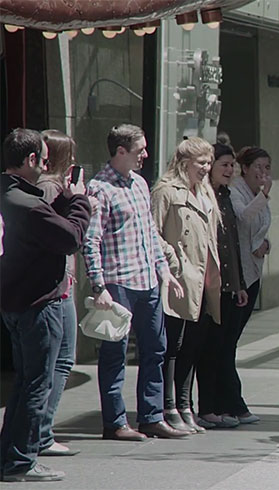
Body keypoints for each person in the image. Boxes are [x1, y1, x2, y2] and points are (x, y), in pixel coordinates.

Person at [83, 124, 187, 441]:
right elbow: (91, 241)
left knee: (156, 348)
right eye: (140, 149)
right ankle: (115, 423)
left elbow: (150, 234)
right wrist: (98, 286)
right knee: (114, 354)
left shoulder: (140, 184)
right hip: (118, 284)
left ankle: (151, 416)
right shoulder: (99, 189)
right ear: (121, 152)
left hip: (148, 280)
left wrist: (164, 270)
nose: (146, 154)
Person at [0, 129, 90, 482]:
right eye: (43, 158)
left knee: (25, 383)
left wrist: (65, 200)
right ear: (31, 160)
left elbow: (48, 227)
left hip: (16, 303)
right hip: (38, 304)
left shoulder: (13, 196)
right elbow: (69, 238)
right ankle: (22, 459)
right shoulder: (26, 203)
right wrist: (80, 200)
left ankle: (11, 455)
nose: (48, 165)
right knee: (37, 384)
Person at [151, 137, 222, 434]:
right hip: (179, 277)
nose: (206, 168)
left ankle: (185, 405)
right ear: (184, 163)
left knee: (193, 345)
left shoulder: (205, 191)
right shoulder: (165, 191)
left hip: (204, 280)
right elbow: (153, 231)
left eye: (208, 162)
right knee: (174, 346)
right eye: (200, 163)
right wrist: (172, 258)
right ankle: (169, 406)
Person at [32, 130, 84, 457]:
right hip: (57, 285)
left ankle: (41, 430)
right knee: (59, 360)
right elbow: (62, 236)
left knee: (56, 360)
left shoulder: (50, 187)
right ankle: (41, 431)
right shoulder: (50, 188)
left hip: (60, 281)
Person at [196, 143, 248, 429]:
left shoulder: (226, 196)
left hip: (229, 284)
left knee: (222, 347)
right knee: (208, 349)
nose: (229, 170)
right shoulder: (205, 196)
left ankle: (219, 405)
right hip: (209, 285)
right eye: (223, 165)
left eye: (232, 165)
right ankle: (207, 407)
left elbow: (232, 245)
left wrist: (238, 284)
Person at [228, 146, 272, 425]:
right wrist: (264, 195)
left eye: (267, 168)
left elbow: (261, 228)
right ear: (243, 168)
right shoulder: (235, 191)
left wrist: (265, 245)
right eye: (258, 166)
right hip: (238, 275)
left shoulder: (258, 195)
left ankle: (232, 401)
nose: (263, 173)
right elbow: (243, 219)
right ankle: (233, 402)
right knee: (226, 343)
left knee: (232, 341)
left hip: (253, 273)